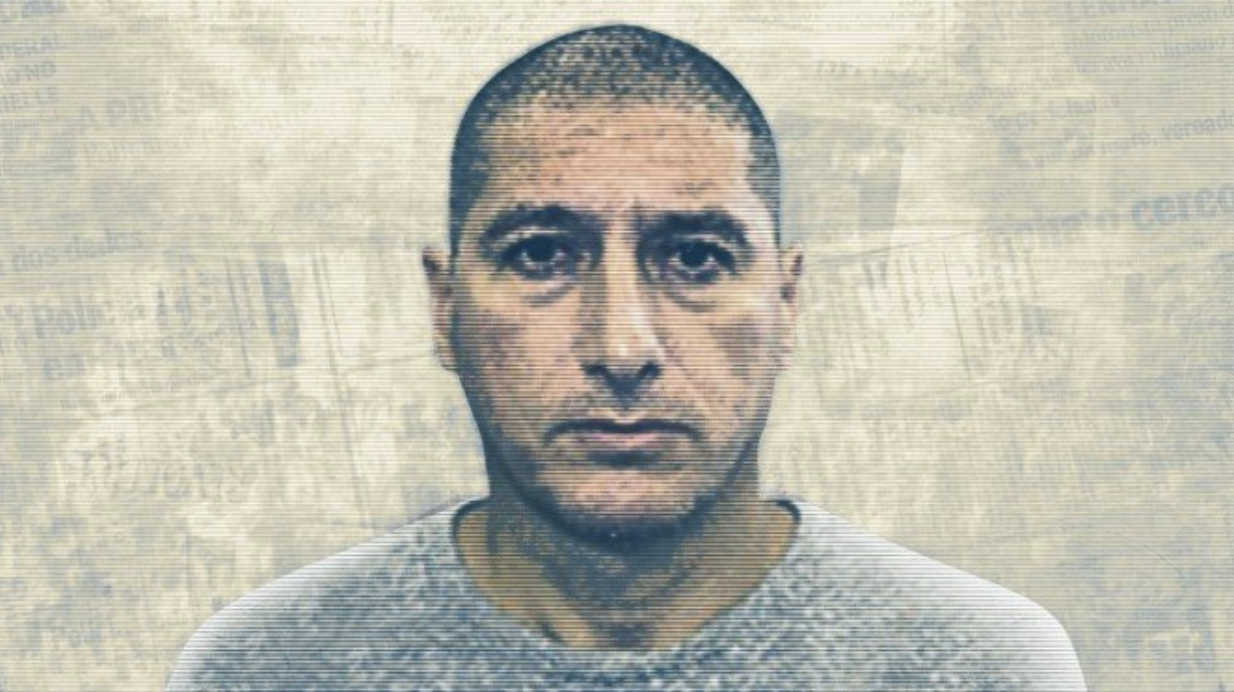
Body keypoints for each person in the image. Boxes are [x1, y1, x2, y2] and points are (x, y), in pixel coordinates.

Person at [167, 24, 1087, 691]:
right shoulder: (269, 666)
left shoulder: (977, 665)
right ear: (445, 310)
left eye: (697, 260)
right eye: (540, 255)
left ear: (786, 302)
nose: (621, 347)